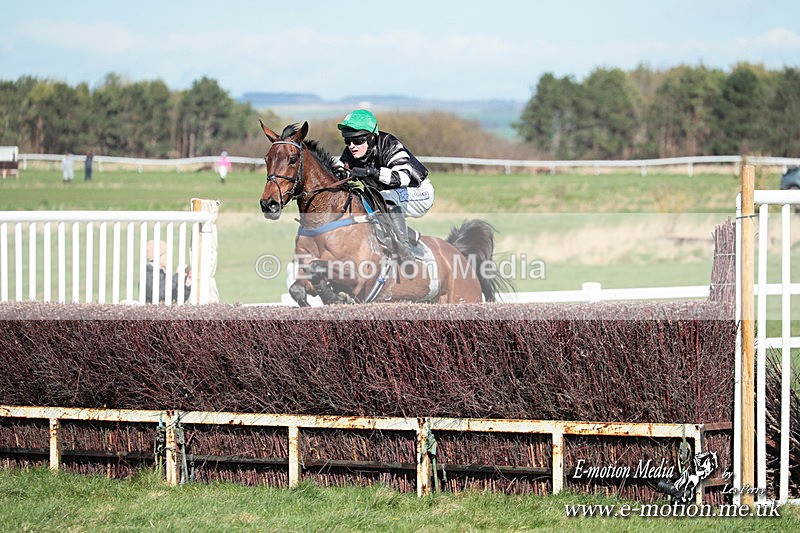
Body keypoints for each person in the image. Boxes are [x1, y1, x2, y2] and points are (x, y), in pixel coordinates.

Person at [337, 109, 434, 263]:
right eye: (347, 141)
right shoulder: (350, 153)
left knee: (382, 198)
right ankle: (410, 235)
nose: (352, 146)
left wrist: (371, 172)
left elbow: (402, 178)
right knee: (360, 202)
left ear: (370, 137)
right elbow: (337, 173)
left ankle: (405, 250)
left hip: (419, 192)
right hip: (389, 196)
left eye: (357, 141)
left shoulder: (390, 144)